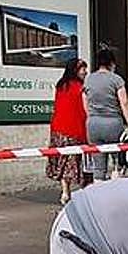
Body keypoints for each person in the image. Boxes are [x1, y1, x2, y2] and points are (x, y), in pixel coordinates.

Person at [84, 48, 128, 182]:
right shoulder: (116, 80)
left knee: (98, 166)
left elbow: (84, 100)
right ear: (111, 63)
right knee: (118, 162)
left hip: (93, 125)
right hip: (113, 124)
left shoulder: (89, 79)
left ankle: (98, 195)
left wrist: (92, 116)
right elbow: (124, 102)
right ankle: (115, 190)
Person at [47, 59, 90, 204]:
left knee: (62, 160)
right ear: (75, 70)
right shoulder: (80, 88)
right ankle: (81, 191)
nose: (85, 72)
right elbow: (86, 110)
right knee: (73, 161)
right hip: (73, 129)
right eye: (82, 69)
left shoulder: (61, 85)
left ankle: (65, 191)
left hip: (58, 128)